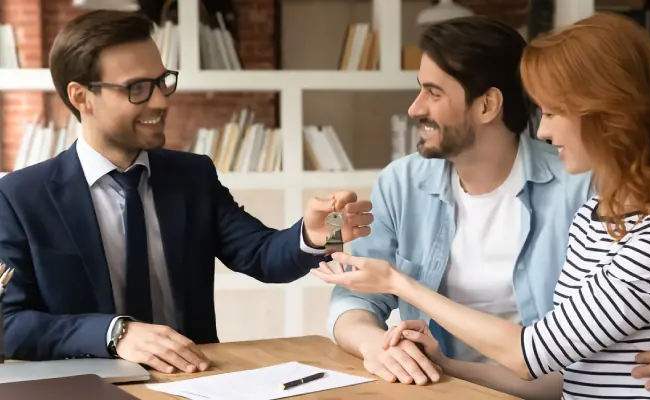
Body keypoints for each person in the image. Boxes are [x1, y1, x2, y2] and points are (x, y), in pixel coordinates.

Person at [315, 12, 650, 400]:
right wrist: (408, 356)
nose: (545, 130)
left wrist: (398, 282)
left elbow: (536, 353)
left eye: (433, 92)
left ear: (487, 105)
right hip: (460, 386)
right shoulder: (599, 212)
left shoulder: (591, 189)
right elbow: (569, 371)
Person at [0, 10, 373, 375]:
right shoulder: (20, 197)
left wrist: (313, 236)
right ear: (82, 97)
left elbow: (261, 255)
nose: (161, 101)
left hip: (193, 381)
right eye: (138, 88)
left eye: (162, 81)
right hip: (86, 388)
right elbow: (8, 324)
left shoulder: (192, 176)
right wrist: (115, 333)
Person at [325, 14, 594, 393]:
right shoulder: (401, 184)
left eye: (434, 93)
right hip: (442, 390)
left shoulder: (580, 186)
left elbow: (596, 341)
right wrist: (377, 347)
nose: (415, 109)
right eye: (419, 89)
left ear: (487, 106)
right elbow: (354, 299)